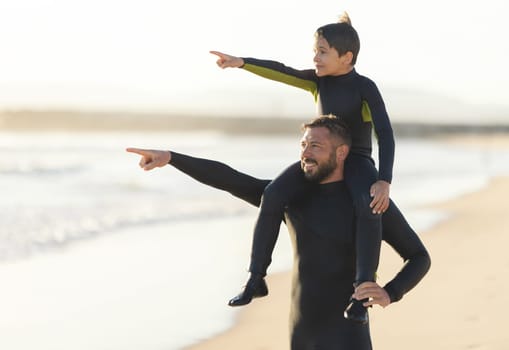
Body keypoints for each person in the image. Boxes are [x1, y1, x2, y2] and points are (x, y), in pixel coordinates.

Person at [126, 115, 430, 349]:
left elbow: (418, 257)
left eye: (316, 146)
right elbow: (230, 179)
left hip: (348, 336)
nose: (306, 154)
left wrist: (391, 292)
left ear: (341, 154)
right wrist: (172, 158)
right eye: (303, 145)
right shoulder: (291, 198)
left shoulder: (368, 203)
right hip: (302, 332)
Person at [210, 12, 393, 323]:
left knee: (368, 205)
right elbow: (282, 72)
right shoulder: (317, 83)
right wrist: (241, 62)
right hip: (320, 157)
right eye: (315, 50)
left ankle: (362, 293)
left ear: (346, 57)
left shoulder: (365, 87)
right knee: (273, 194)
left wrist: (384, 181)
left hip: (357, 159)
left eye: (323, 51)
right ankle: (256, 278)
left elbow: (385, 134)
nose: (315, 57)